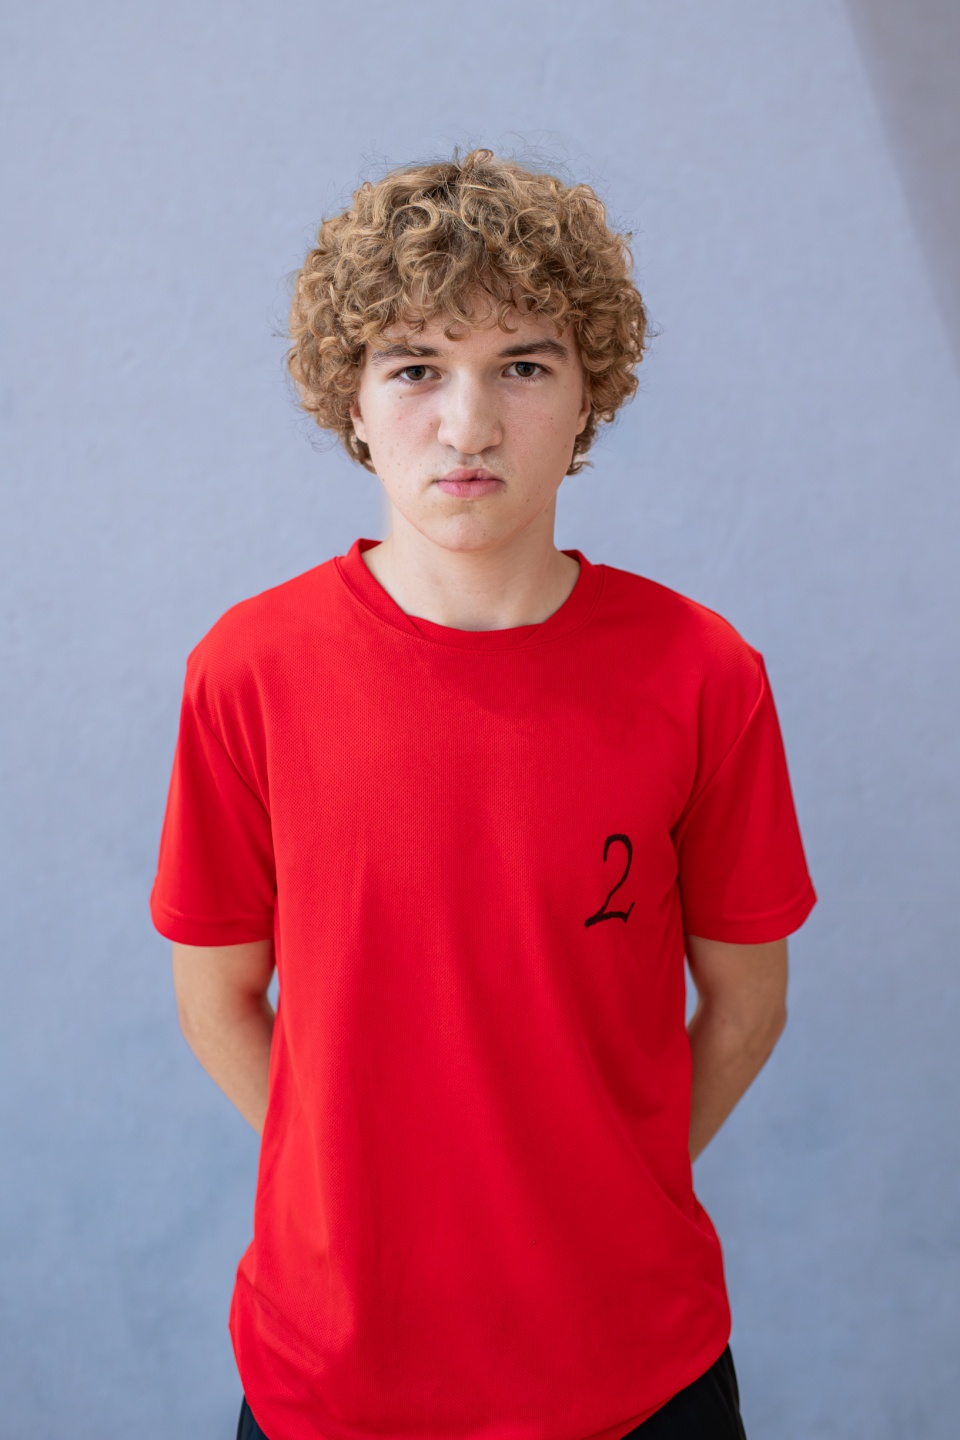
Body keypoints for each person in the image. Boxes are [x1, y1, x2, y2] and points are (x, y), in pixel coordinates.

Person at [149, 148, 816, 1440]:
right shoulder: (248, 672)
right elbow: (216, 997)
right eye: (416, 367)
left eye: (523, 365)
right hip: (335, 1377)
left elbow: (748, 1003)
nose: (467, 425)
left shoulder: (703, 675)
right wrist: (358, 1193)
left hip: (636, 1371)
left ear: (588, 394)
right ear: (351, 401)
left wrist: (596, 1187)